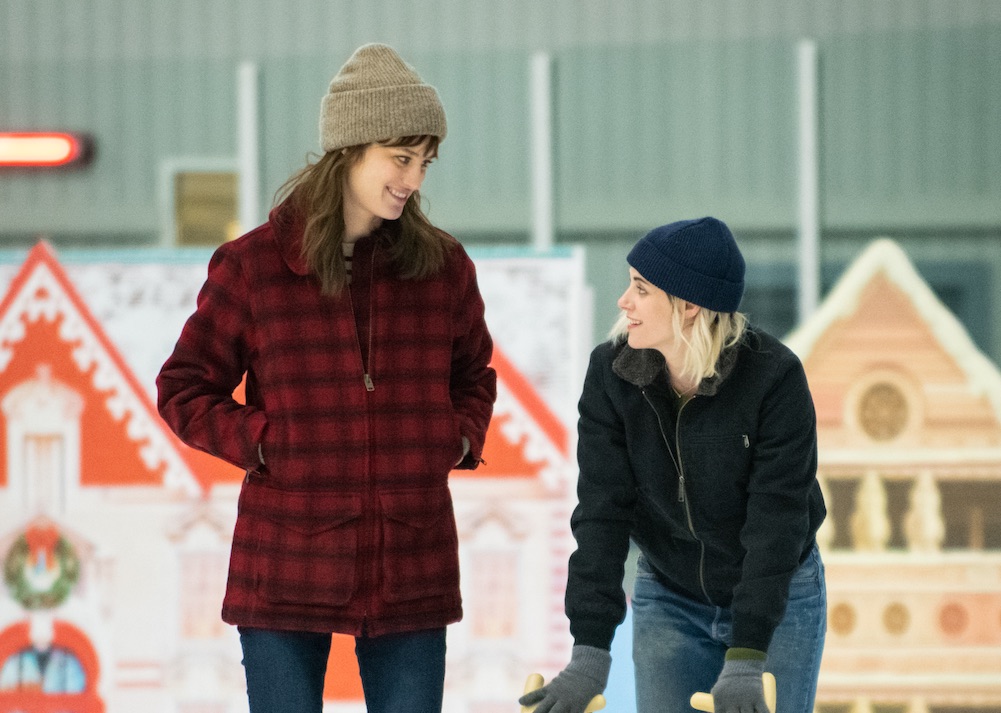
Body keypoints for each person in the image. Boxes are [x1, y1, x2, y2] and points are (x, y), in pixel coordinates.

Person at [157, 43, 496, 713]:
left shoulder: (442, 267)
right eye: (400, 159)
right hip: (286, 559)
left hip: (411, 558)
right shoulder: (254, 266)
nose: (413, 179)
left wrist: (451, 438)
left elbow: (473, 375)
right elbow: (184, 385)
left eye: (424, 161)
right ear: (349, 149)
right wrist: (266, 440)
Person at [519, 217, 826, 713]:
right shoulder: (613, 375)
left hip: (779, 597)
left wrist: (747, 656)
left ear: (689, 306)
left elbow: (777, 522)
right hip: (670, 595)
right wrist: (590, 651)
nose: (624, 301)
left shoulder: (774, 379)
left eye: (641, 289)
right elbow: (602, 512)